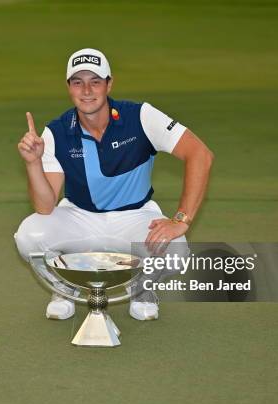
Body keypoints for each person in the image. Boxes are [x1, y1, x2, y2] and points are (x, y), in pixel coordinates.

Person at [14, 48, 213, 320]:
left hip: (135, 216)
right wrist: (32, 162)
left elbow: (200, 154)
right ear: (68, 88)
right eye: (77, 82)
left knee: (176, 250)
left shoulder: (141, 117)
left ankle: (143, 288)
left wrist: (181, 219)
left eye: (95, 81)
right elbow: (45, 207)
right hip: (78, 216)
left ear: (109, 84)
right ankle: (65, 286)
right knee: (29, 236)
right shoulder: (57, 131)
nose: (86, 90)